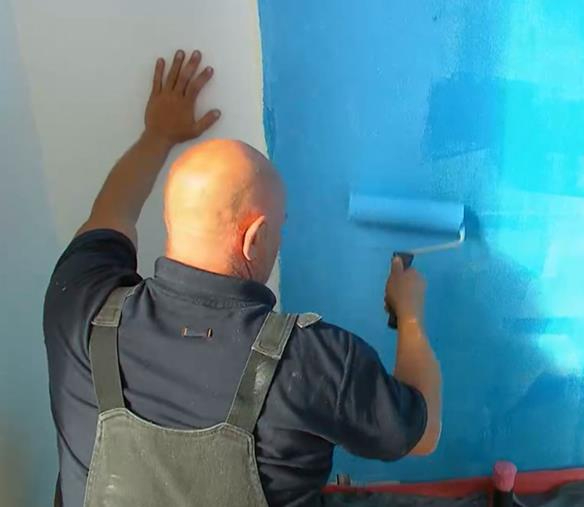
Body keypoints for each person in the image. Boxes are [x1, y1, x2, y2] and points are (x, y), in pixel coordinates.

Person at [44, 49, 441, 507]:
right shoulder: (313, 362)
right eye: (280, 227)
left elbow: (111, 213)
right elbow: (423, 433)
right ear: (254, 238)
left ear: (172, 220)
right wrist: (411, 316)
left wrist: (158, 136)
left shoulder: (80, 305)